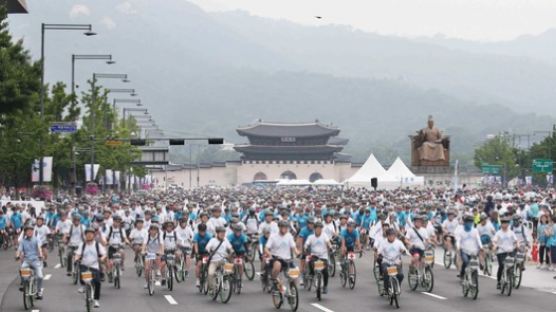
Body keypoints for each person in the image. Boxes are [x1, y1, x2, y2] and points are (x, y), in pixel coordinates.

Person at [75, 227, 106, 308]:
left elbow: (104, 254)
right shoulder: (83, 244)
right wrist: (76, 258)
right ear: (85, 235)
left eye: (91, 234)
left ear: (94, 235)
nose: (89, 235)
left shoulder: (97, 245)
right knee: (86, 279)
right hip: (85, 266)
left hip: (95, 266)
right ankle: (84, 287)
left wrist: (102, 258)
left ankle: (96, 300)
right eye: (87, 234)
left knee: (97, 282)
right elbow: (78, 254)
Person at [16, 225, 44, 300]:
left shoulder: (36, 240)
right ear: (25, 232)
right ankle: (24, 285)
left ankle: (39, 291)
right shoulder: (23, 241)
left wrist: (40, 255)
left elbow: (39, 248)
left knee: (40, 276)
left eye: (31, 231)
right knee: (22, 270)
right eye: (28, 231)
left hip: (35, 261)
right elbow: (19, 250)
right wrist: (18, 255)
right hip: (27, 261)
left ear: (33, 232)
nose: (29, 232)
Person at [304, 221, 332, 294]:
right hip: (314, 255)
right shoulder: (311, 237)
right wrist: (306, 248)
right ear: (314, 229)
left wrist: (330, 247)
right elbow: (306, 244)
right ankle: (312, 273)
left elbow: (328, 242)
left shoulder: (324, 235)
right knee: (310, 262)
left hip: (323, 256)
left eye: (320, 228)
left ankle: (325, 286)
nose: (319, 230)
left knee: (325, 271)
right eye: (317, 228)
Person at [205, 226, 233, 296]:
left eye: (224, 233)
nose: (222, 234)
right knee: (210, 274)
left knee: (229, 271)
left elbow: (230, 247)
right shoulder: (213, 240)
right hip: (213, 261)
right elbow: (207, 247)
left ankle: (226, 281)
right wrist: (208, 250)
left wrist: (232, 251)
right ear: (217, 233)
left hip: (223, 260)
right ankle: (211, 289)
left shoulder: (225, 240)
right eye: (221, 233)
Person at [492, 216, 518, 289]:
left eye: (506, 223)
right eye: (503, 223)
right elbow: (494, 241)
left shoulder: (511, 233)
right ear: (501, 224)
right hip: (501, 252)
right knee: (501, 266)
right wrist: (495, 246)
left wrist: (517, 245)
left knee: (512, 263)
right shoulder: (498, 233)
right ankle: (499, 281)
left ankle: (511, 275)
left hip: (510, 251)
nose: (505, 225)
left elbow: (516, 241)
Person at [456, 214, 483, 280]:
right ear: (465, 222)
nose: (469, 223)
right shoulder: (461, 231)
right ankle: (462, 274)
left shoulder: (475, 231)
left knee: (473, 264)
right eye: (468, 222)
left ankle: (473, 275)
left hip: (473, 251)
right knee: (466, 262)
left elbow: (478, 239)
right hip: (464, 250)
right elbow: (458, 240)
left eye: (471, 222)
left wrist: (481, 247)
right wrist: (458, 247)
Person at [142, 224, 164, 289]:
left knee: (157, 259)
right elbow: (144, 244)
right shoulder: (147, 236)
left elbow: (162, 244)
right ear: (150, 230)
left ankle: (157, 274)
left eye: (155, 229)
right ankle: (147, 282)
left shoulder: (159, 236)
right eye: (152, 229)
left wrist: (161, 251)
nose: (153, 231)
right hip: (149, 252)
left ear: (157, 231)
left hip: (157, 252)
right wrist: (143, 251)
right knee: (146, 268)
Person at [193, 223, 213, 288]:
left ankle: (207, 275)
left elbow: (211, 245)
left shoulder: (208, 236)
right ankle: (198, 279)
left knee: (207, 264)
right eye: (201, 231)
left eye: (203, 231)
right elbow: (195, 245)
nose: (202, 233)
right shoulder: (196, 236)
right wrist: (196, 253)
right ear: (198, 231)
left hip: (206, 253)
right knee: (199, 264)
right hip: (199, 252)